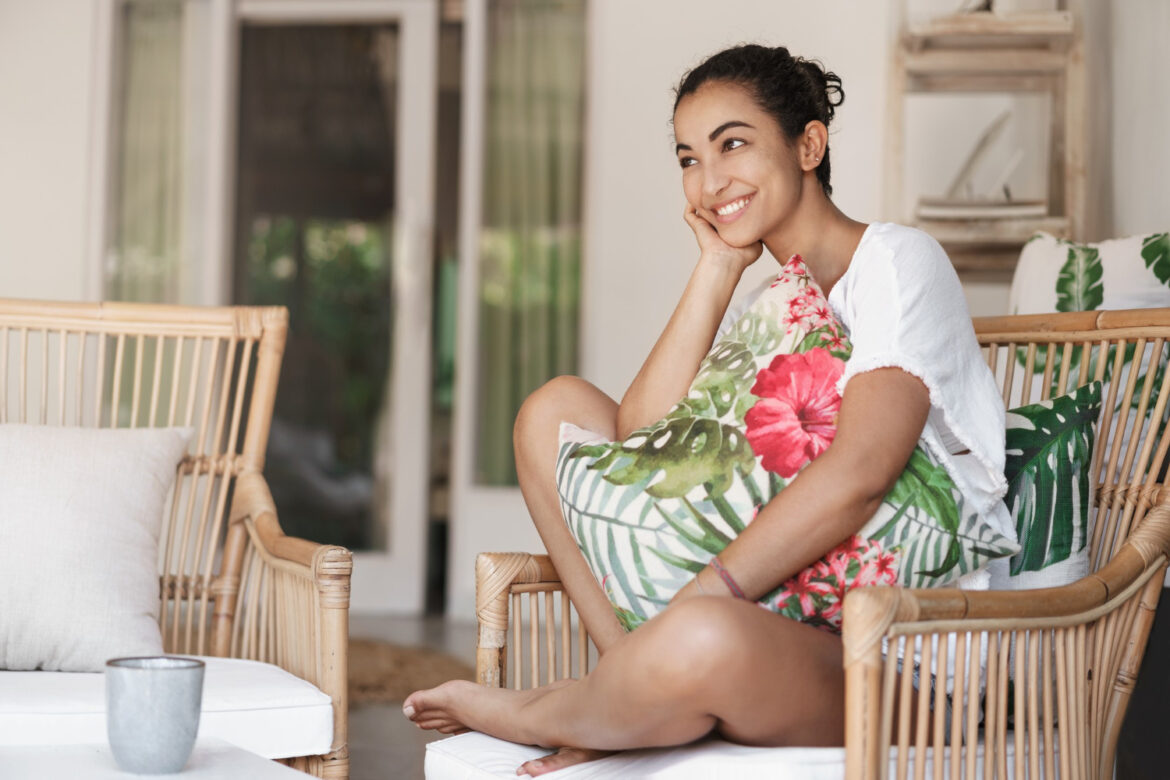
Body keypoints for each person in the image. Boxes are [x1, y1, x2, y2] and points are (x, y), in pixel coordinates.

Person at [404, 43, 1014, 776]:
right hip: (777, 631)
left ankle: (552, 707)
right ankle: (627, 681)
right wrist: (720, 266)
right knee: (551, 413)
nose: (708, 179)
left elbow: (862, 471)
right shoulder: (776, 303)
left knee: (702, 637)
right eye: (688, 158)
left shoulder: (895, 262)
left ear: (808, 145)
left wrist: (700, 598)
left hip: (904, 663)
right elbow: (639, 442)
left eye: (733, 144)